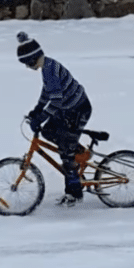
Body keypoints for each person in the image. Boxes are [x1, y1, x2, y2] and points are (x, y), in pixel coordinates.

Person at [16, 32, 92, 206]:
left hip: (78, 109)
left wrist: (41, 117)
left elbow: (56, 100)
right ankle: (76, 154)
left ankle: (74, 188)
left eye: (27, 63)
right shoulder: (47, 67)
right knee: (48, 131)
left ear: (33, 58)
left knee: (65, 150)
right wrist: (37, 110)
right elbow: (47, 93)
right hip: (67, 108)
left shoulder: (50, 69)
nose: (27, 67)